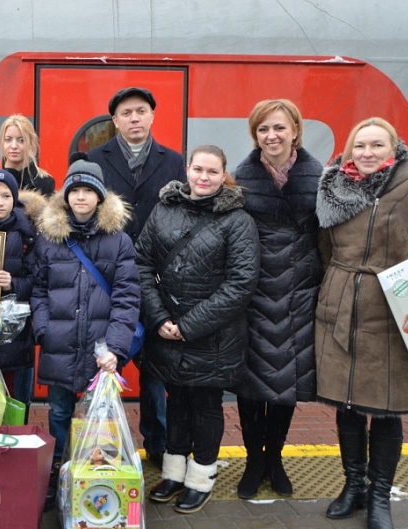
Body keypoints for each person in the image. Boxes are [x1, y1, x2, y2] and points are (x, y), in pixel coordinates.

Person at [315, 117, 408, 529]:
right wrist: (334, 289)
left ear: (394, 150)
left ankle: (379, 497)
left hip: (394, 312)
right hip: (338, 309)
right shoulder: (333, 189)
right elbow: (322, 247)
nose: (367, 153)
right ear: (349, 150)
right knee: (347, 405)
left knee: (387, 411)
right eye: (360, 146)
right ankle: (352, 486)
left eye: (376, 145)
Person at [138, 145, 259, 514]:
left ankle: (200, 477)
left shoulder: (238, 221)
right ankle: (174, 473)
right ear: (186, 170)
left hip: (213, 336)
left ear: (224, 176)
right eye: (197, 169)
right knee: (177, 404)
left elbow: (241, 284)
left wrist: (188, 326)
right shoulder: (164, 209)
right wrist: (159, 319)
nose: (203, 178)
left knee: (206, 406)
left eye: (212, 172)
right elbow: (142, 263)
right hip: (167, 330)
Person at [30, 153, 140, 509]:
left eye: (88, 191)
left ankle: (95, 474)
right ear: (65, 196)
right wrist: (44, 329)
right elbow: (39, 290)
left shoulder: (118, 241)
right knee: (59, 412)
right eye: (74, 190)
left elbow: (126, 299)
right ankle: (59, 470)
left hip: (102, 351)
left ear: (99, 197)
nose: (80, 197)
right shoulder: (49, 238)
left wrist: (117, 348)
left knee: (100, 417)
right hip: (60, 344)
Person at [87, 86, 186, 468]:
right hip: (107, 277)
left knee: (155, 367)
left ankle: (157, 444)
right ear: (114, 121)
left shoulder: (173, 161)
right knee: (104, 359)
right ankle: (100, 440)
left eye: (141, 111)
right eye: (126, 113)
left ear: (152, 116)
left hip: (159, 277)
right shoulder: (96, 158)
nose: (134, 118)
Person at [232, 99, 324, 499]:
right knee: (252, 386)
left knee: (286, 383)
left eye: (279, 128)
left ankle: (276, 459)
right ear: (255, 135)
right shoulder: (240, 178)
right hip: (254, 293)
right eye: (263, 129)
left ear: (295, 132)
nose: (272, 136)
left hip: (300, 295)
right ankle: (254, 461)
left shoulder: (318, 178)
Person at [0, 169, 46, 418]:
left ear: (15, 199)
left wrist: (13, 284)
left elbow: (39, 281)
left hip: (16, 334)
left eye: (6, 196)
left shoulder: (29, 235)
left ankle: (14, 451)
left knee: (15, 403)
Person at [0, 114, 56, 196]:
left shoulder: (44, 182)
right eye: (8, 140)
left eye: (21, 140)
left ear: (31, 143)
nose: (14, 146)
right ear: (1, 142)